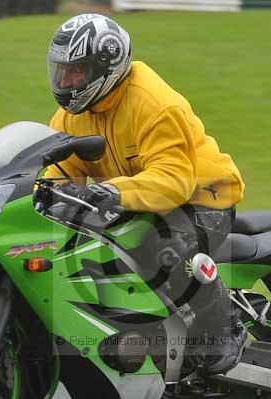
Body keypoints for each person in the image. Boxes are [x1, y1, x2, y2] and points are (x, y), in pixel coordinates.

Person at [45, 13, 247, 375]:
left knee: (165, 246)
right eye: (62, 70)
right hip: (133, 198)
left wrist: (112, 190)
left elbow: (174, 181)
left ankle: (224, 326)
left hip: (203, 195)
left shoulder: (154, 103)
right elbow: (59, 173)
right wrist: (44, 194)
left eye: (76, 71)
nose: (66, 80)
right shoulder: (69, 117)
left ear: (104, 67)